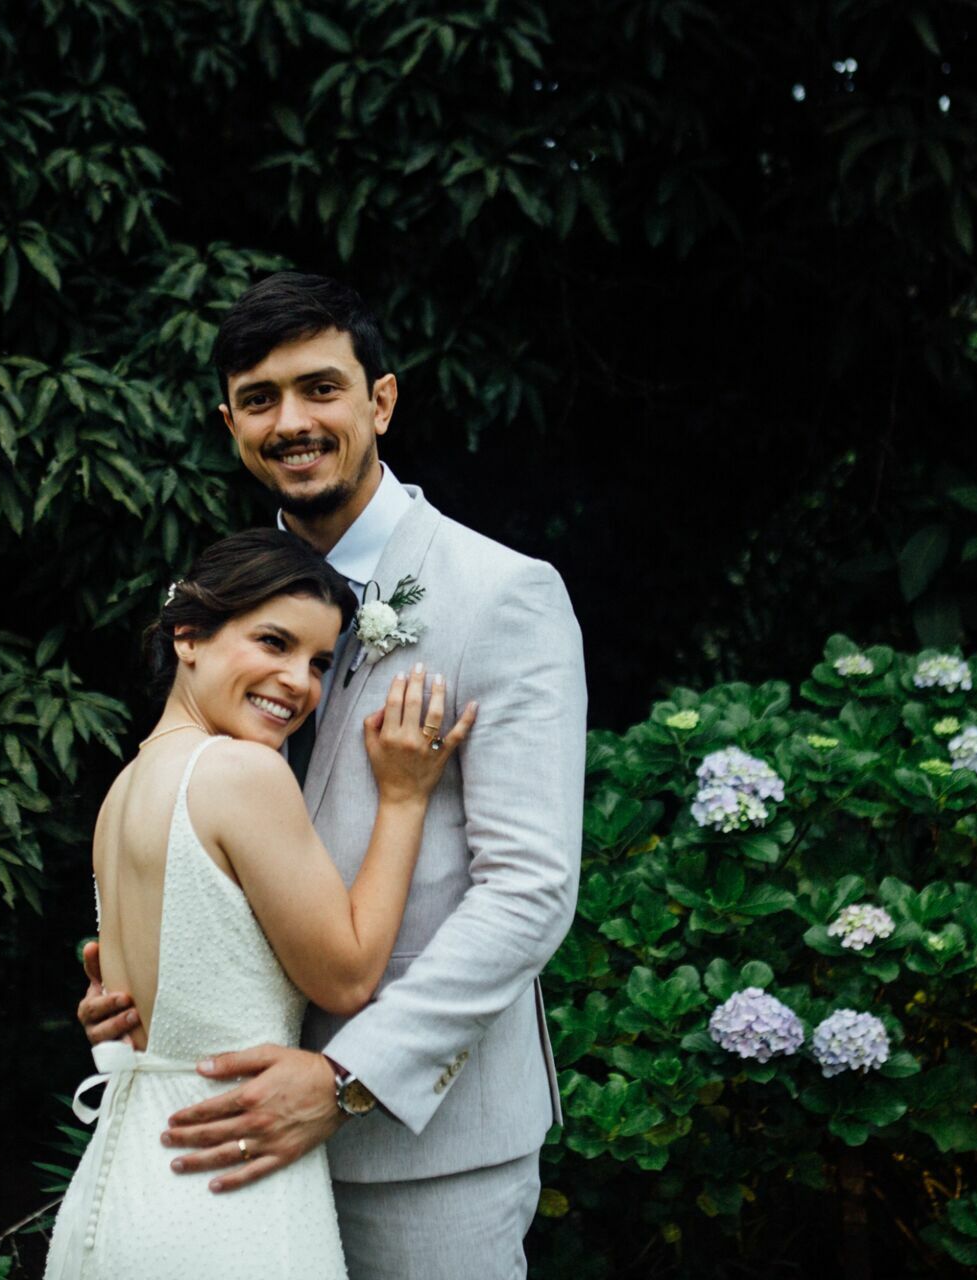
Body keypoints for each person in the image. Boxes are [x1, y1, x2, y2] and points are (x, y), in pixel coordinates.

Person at [78, 272, 587, 1277]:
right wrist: (142, 979)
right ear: (230, 423)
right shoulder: (229, 613)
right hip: (225, 1151)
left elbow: (530, 890)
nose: (293, 421)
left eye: (320, 387)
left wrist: (349, 1074)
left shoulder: (505, 596)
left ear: (379, 401)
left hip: (422, 1151)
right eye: (260, 398)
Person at [44, 527, 476, 1279]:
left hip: (116, 1193)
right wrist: (404, 800)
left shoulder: (125, 790)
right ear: (189, 636)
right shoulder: (240, 773)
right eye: (272, 642)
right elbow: (344, 979)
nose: (298, 683)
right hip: (227, 1187)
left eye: (316, 662)